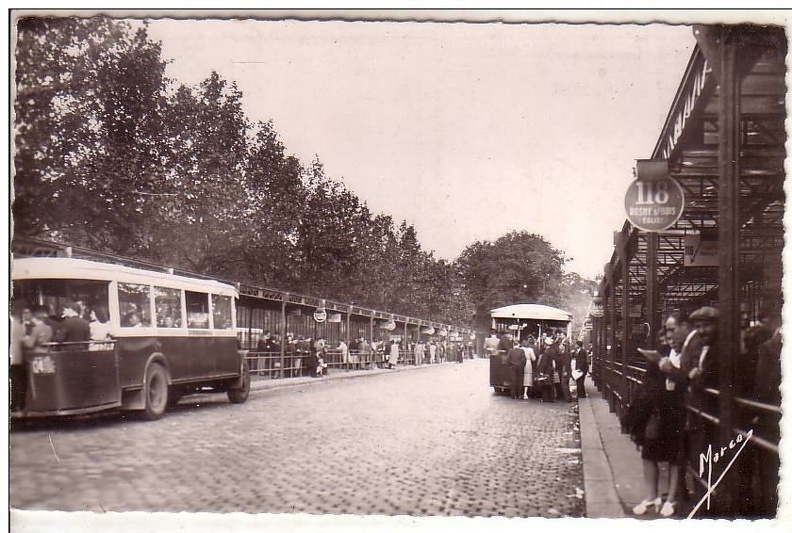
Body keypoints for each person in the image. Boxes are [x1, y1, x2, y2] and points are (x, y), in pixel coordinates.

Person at [631, 322, 686, 517]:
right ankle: (651, 496)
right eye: (666, 334)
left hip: (677, 409)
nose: (668, 338)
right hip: (659, 410)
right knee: (649, 451)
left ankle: (671, 498)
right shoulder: (666, 353)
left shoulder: (685, 354)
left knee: (674, 456)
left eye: (672, 332)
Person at [536, 337, 557, 403]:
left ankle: (545, 398)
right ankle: (552, 398)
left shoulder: (546, 353)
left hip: (546, 370)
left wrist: (541, 371)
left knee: (545, 384)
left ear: (546, 345)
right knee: (551, 384)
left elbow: (544, 363)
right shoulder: (553, 351)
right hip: (551, 370)